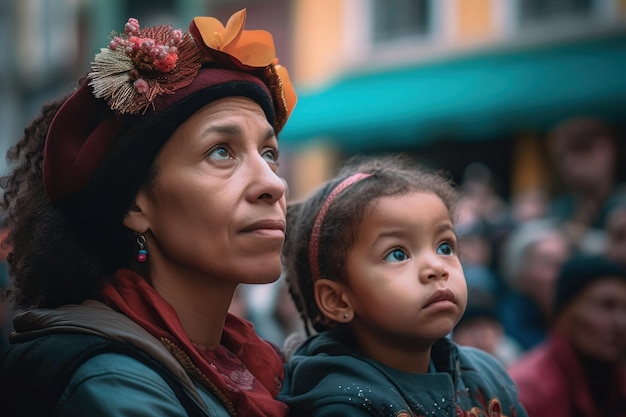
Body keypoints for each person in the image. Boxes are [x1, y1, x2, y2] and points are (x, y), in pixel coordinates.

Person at [0, 8, 296, 417]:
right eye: (221, 152)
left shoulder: (255, 363)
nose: (273, 184)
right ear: (135, 206)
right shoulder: (110, 383)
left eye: (269, 154)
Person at [278, 156, 528, 417]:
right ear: (338, 300)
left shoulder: (488, 374)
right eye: (397, 254)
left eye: (445, 247)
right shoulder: (342, 404)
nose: (436, 268)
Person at [508, 255, 626, 417]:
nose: (621, 323)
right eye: (606, 306)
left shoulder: (617, 383)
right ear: (564, 315)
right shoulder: (524, 393)